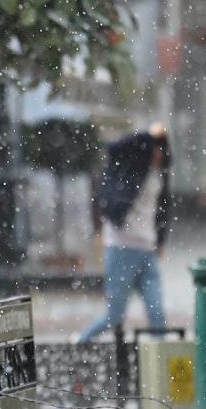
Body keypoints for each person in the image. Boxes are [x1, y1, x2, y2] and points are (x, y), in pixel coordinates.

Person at [77, 126, 171, 342]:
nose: (159, 154)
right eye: (155, 148)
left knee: (157, 313)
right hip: (121, 248)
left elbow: (163, 210)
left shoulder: (161, 174)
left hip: (147, 250)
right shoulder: (129, 167)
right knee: (114, 316)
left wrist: (160, 242)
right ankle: (79, 342)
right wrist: (149, 134)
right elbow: (114, 147)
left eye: (161, 149)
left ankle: (161, 366)